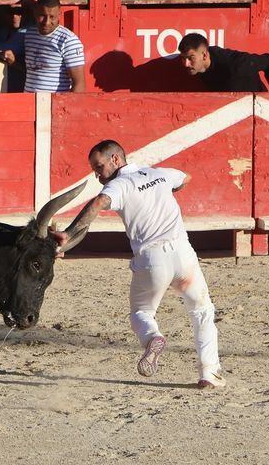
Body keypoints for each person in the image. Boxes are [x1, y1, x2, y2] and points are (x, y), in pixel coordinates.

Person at [51, 140, 226, 389]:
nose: (97, 174)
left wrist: (68, 234)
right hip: (184, 254)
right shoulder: (159, 174)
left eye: (99, 166)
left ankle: (153, 337)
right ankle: (210, 373)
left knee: (141, 313)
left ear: (115, 159)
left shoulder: (119, 185)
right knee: (202, 310)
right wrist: (161, 193)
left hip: (152, 260)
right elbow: (186, 177)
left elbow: (98, 203)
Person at [0, 0, 85, 93]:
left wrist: (64, 107)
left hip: (55, 105)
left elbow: (79, 84)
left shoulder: (68, 40)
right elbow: (34, 70)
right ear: (35, 13)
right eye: (42, 16)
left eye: (52, 17)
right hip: (30, 103)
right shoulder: (30, 34)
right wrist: (13, 62)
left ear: (59, 15)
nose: (46, 22)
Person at [178, 32, 269, 92]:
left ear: (205, 55)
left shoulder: (237, 64)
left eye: (191, 58)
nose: (186, 64)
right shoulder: (199, 66)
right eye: (183, 58)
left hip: (258, 109)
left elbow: (267, 60)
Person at [0, 0, 33, 93]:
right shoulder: (3, 29)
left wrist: (13, 62)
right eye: (10, 12)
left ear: (27, 14)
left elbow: (36, 70)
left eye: (19, 12)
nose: (14, 16)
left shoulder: (30, 33)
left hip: (21, 87)